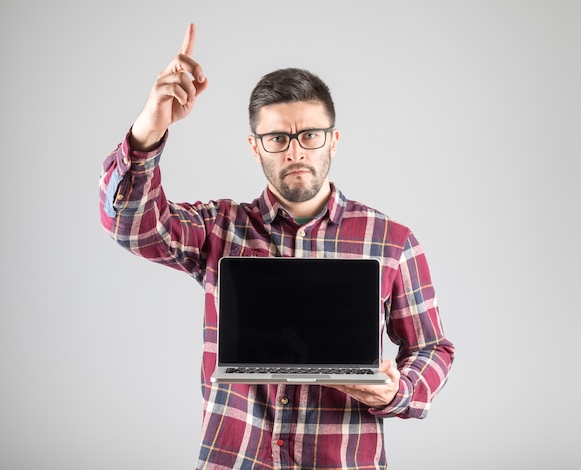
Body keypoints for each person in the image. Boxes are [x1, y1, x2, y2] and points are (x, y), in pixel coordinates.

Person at [99, 22, 455, 469]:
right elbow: (133, 227)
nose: (295, 151)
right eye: (277, 139)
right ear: (255, 147)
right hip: (237, 459)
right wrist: (147, 131)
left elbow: (432, 348)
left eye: (309, 135)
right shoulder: (219, 228)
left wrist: (398, 390)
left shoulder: (393, 242)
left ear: (333, 140)